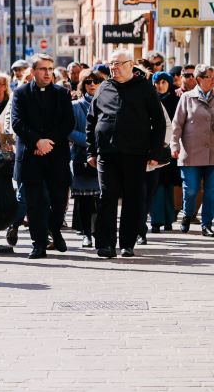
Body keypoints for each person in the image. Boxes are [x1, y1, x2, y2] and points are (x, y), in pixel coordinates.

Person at [86, 49, 167, 258]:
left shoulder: (145, 89)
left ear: (131, 65)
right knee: (107, 196)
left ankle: (127, 243)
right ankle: (105, 244)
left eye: (119, 63)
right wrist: (90, 151)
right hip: (106, 153)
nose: (114, 67)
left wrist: (155, 152)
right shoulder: (104, 87)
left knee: (133, 198)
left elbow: (158, 123)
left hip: (135, 153)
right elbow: (91, 121)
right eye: (112, 64)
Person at [10, 54, 75, 259]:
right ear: (33, 71)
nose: (48, 73)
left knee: (58, 200)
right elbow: (17, 122)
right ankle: (38, 243)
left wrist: (47, 143)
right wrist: (37, 142)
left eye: (50, 69)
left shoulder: (63, 94)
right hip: (31, 155)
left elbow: (68, 123)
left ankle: (55, 230)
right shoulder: (21, 93)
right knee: (34, 202)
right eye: (43, 69)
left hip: (56, 155)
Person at [171, 63, 214, 236]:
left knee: (211, 191)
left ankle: (207, 224)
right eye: (210, 77)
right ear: (199, 79)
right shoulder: (187, 97)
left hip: (212, 152)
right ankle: (188, 215)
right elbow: (177, 125)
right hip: (190, 152)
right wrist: (174, 145)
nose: (213, 80)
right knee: (191, 190)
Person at [69, 73, 102, 248]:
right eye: (88, 82)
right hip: (82, 157)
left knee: (101, 199)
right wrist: (90, 141)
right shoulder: (75, 106)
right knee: (84, 199)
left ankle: (99, 233)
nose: (92, 85)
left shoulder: (108, 103)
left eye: (96, 81)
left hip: (104, 156)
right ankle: (86, 234)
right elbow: (68, 130)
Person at [149, 71, 181, 232]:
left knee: (168, 185)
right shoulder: (150, 99)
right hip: (153, 148)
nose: (160, 85)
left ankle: (169, 219)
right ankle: (156, 220)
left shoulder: (177, 100)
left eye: (164, 82)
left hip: (169, 148)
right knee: (155, 185)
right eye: (157, 82)